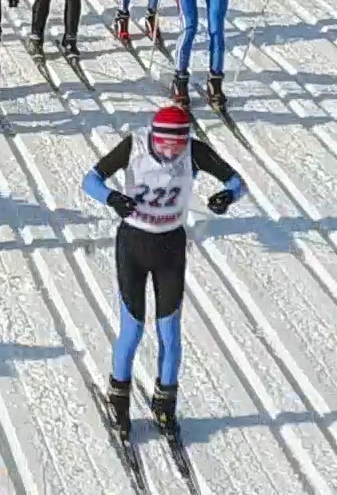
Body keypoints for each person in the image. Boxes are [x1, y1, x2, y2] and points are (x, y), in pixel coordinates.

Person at [85, 97, 245, 442]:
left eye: (177, 146)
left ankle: (165, 403)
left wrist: (227, 196)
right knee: (133, 329)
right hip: (133, 245)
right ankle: (119, 400)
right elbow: (90, 180)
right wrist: (112, 198)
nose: (171, 153)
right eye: (164, 145)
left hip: (170, 247)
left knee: (170, 333)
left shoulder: (193, 151)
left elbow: (237, 181)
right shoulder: (135, 145)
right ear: (153, 136)